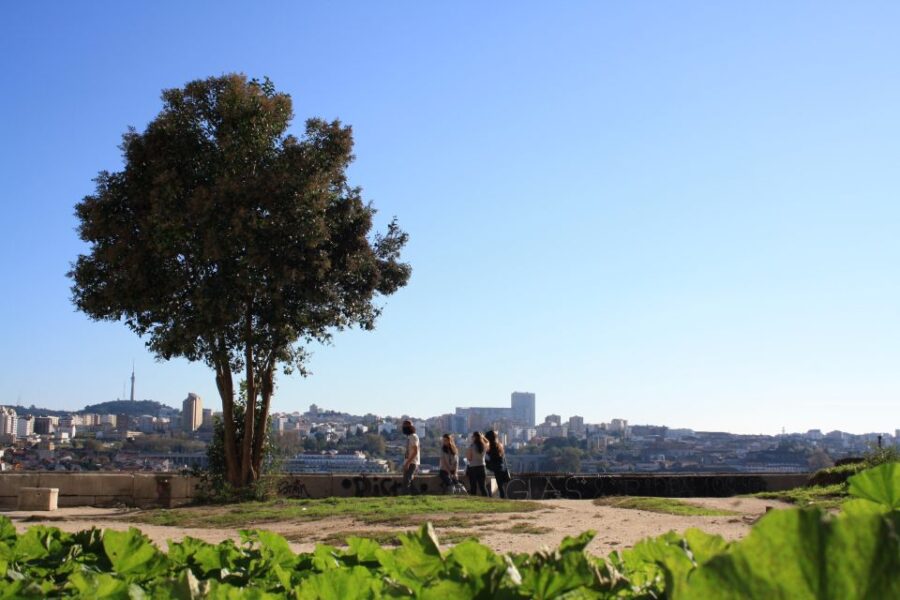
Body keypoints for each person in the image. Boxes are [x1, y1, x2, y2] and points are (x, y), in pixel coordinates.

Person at [484, 430, 511, 498]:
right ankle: (503, 498)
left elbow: (489, 456)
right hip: (500, 466)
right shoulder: (499, 445)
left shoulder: (492, 446)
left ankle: (503, 498)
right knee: (500, 485)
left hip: (496, 467)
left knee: (500, 486)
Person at [466, 431, 489, 497]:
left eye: (472, 437)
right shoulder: (484, 446)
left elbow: (469, 458)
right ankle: (487, 500)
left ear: (474, 438)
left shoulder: (471, 447)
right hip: (482, 467)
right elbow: (488, 442)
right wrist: (483, 437)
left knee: (473, 486)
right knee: (483, 486)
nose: (471, 438)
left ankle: (473, 500)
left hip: (473, 468)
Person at [401, 419, 420, 494]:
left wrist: (407, 463)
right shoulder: (410, 437)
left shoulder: (413, 437)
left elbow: (415, 451)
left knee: (406, 481)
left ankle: (405, 495)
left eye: (404, 426)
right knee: (409, 481)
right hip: (409, 462)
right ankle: (416, 495)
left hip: (412, 462)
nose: (403, 428)